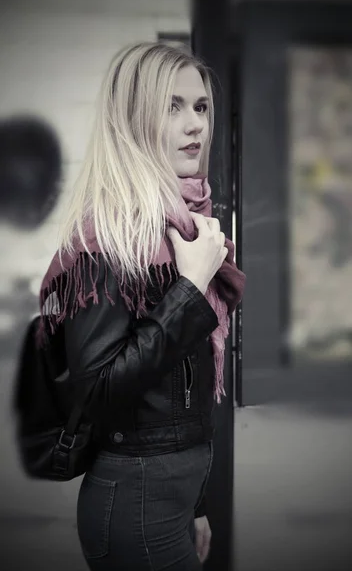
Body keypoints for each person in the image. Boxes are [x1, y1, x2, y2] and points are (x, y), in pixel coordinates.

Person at [38, 42, 245, 570]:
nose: (194, 124)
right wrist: (190, 290)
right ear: (133, 120)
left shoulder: (182, 223)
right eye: (172, 107)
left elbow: (184, 390)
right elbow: (100, 388)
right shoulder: (109, 238)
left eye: (200, 107)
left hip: (170, 500)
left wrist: (195, 505)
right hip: (136, 506)